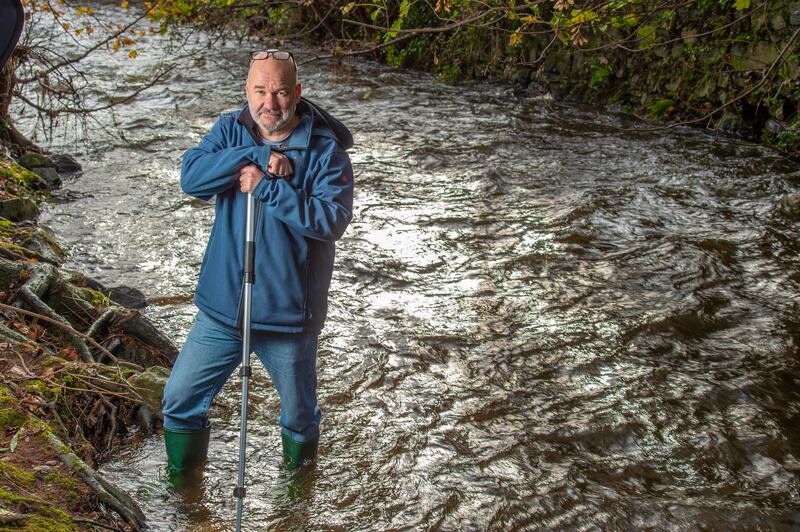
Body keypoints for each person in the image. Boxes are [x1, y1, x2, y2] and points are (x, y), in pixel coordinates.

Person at [161, 49, 354, 480]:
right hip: (224, 308)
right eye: (261, 90)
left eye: (281, 91)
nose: (270, 102)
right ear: (247, 91)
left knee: (299, 418)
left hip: (288, 315)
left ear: (297, 93)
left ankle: (297, 501)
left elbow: (332, 221)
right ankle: (184, 495)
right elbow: (192, 179)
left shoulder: (325, 151)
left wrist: (268, 188)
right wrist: (250, 157)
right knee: (179, 400)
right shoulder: (230, 130)